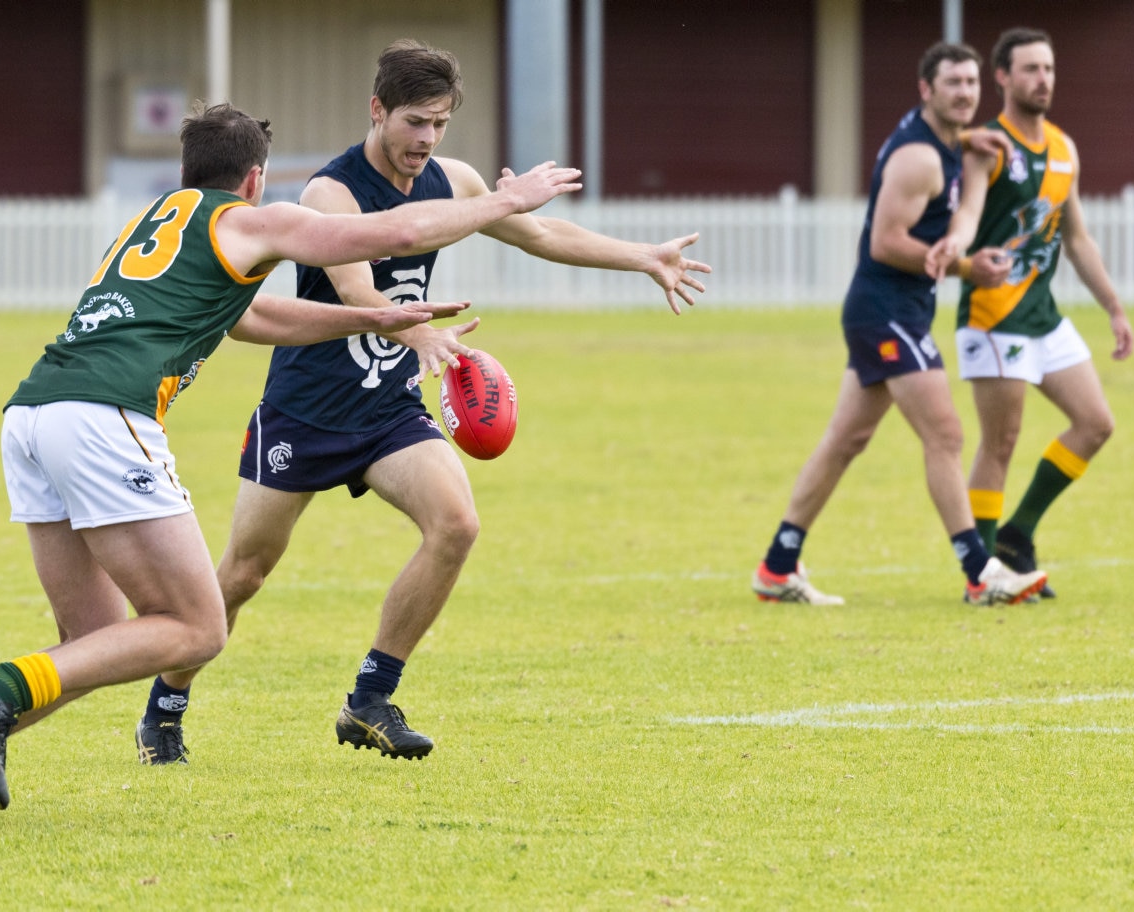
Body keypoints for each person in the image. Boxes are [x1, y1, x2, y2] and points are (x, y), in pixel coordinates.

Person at [0, 101, 585, 823]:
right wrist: (504, 200)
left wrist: (375, 318)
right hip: (104, 416)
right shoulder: (246, 218)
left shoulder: (158, 221)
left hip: (34, 416)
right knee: (197, 626)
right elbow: (395, 230)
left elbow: (250, 319)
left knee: (97, 645)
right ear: (254, 178)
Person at [130, 39, 711, 765]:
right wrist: (421, 337)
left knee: (457, 523)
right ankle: (166, 708)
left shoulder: (452, 179)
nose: (426, 139)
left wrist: (642, 256)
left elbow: (539, 231)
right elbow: (358, 293)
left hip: (388, 411)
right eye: (413, 121)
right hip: (306, 411)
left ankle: (370, 699)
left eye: (438, 123)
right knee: (244, 573)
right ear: (377, 111)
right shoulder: (329, 193)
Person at [749, 41, 1048, 608]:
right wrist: (965, 265)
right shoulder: (921, 158)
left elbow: (951, 198)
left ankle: (777, 565)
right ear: (925, 89)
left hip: (894, 310)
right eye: (952, 83)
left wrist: (968, 144)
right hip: (884, 309)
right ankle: (979, 571)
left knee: (846, 440)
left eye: (971, 83)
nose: (965, 93)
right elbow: (887, 243)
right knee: (946, 434)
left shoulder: (945, 142)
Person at [926, 28, 1134, 598]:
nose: (1043, 79)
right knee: (1001, 442)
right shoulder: (985, 142)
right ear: (1003, 77)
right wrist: (960, 246)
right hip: (994, 314)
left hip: (1044, 314)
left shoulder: (1064, 148)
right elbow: (967, 210)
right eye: (1030, 69)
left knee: (1095, 424)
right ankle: (982, 575)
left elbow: (1078, 237)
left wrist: (1114, 307)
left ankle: (1017, 536)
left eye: (1049, 68)